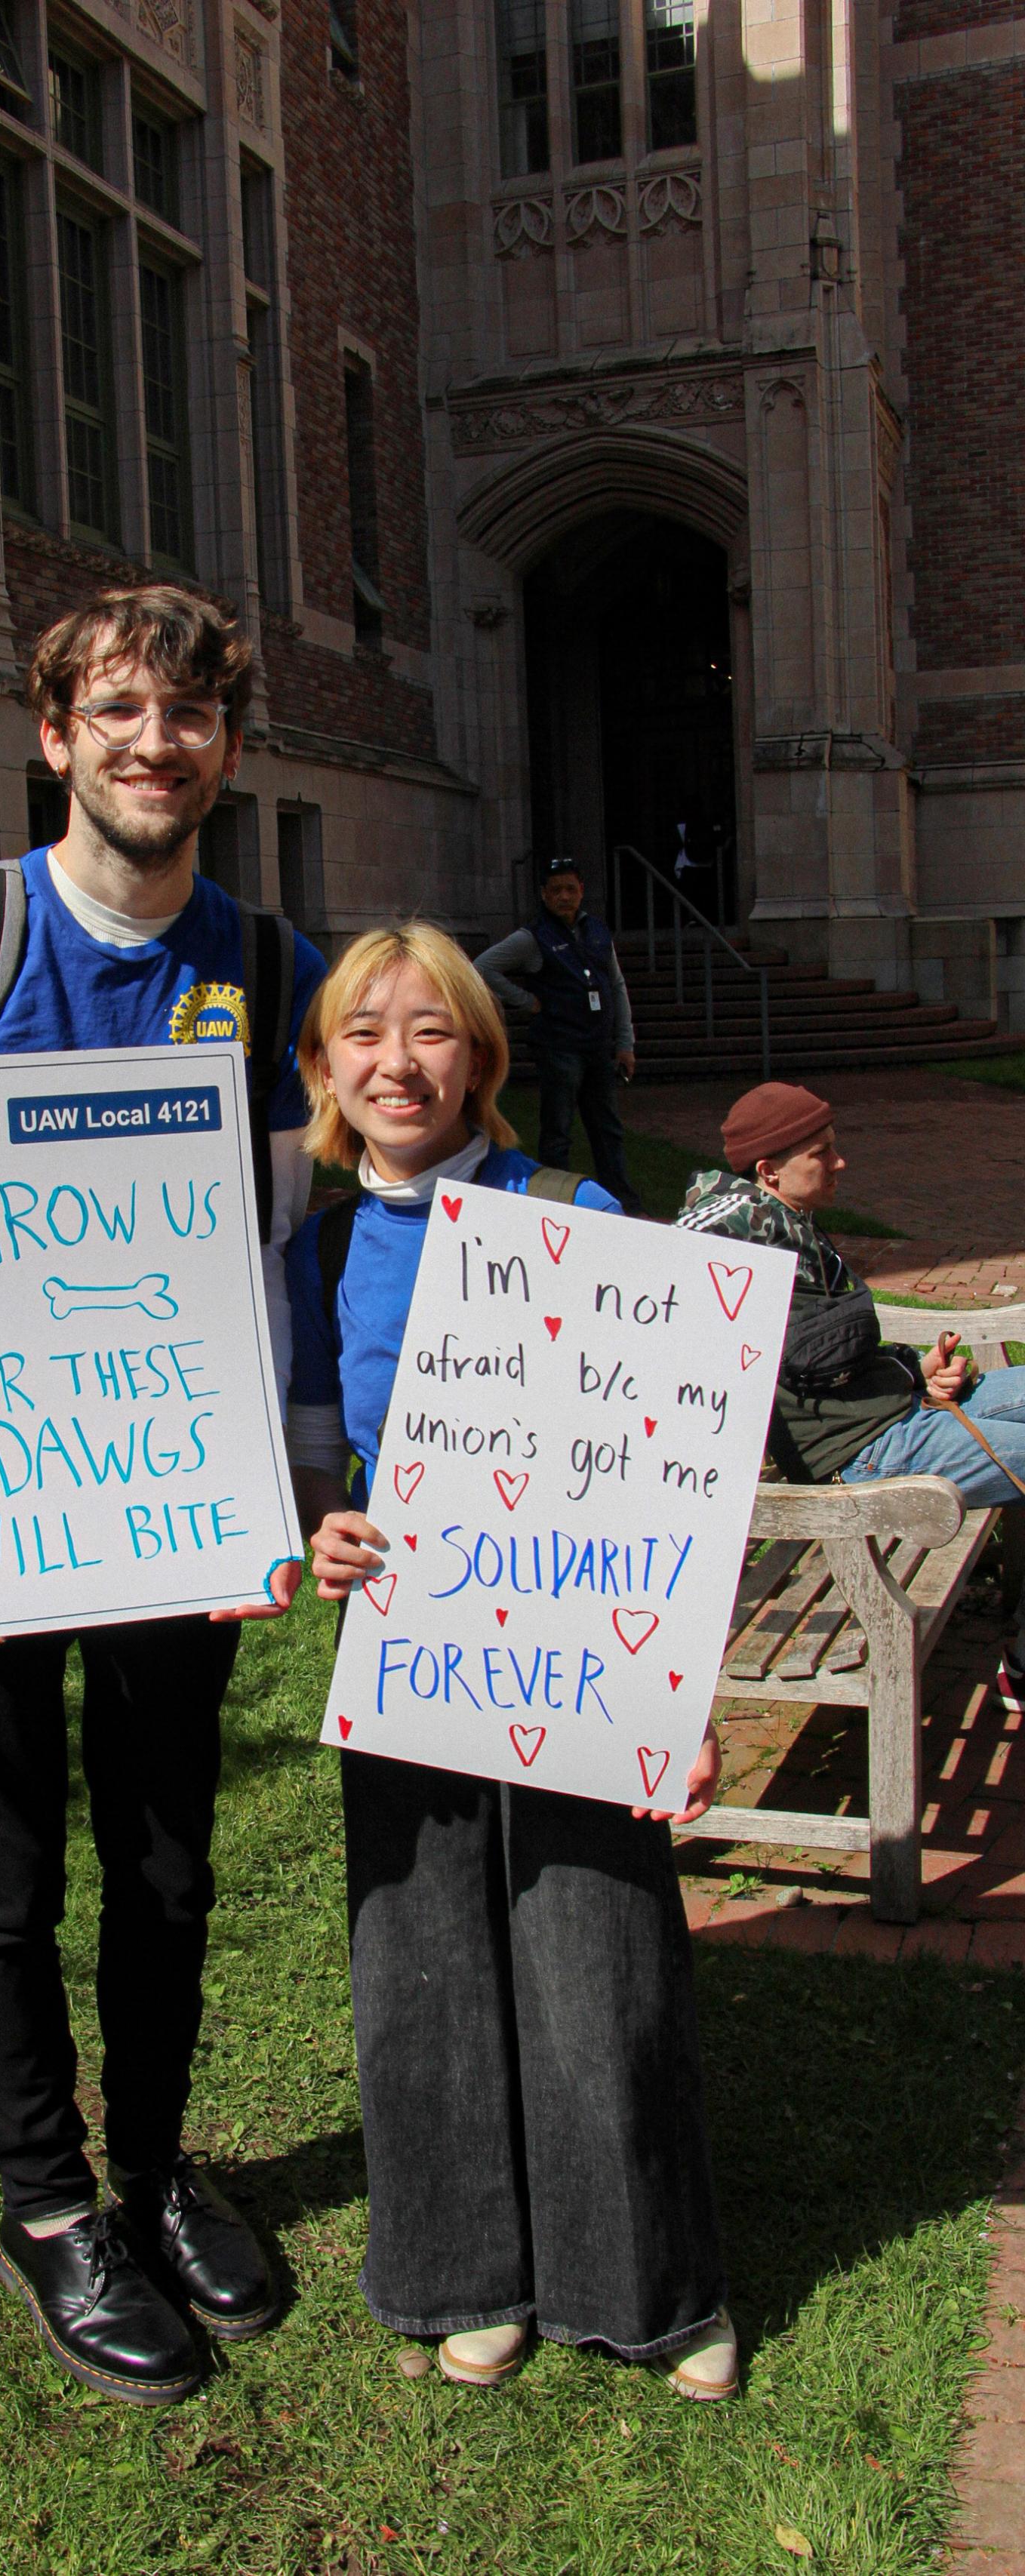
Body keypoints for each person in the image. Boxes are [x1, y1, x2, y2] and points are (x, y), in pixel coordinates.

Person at [0, 583, 327, 2408]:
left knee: (172, 1861)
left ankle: (156, 2168)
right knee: (9, 1870)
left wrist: (267, 1487)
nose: (152, 742)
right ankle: (50, 2207)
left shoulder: (265, 965)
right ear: (53, 734)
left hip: (178, 1504)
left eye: (187, 713)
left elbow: (276, 1256)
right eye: (115, 707)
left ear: (225, 749)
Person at [284, 923, 736, 2402]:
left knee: (596, 1936)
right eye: (365, 1033)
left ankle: (646, 2281)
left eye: (430, 1031)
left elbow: (667, 1459)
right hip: (405, 1634)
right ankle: (463, 2264)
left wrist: (688, 1688)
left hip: (576, 1637)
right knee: (423, 1950)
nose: (396, 1061)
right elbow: (296, 1436)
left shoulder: (574, 1206)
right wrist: (320, 1525)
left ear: (481, 1057)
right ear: (328, 1068)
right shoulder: (324, 1236)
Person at [677, 1082, 1025, 1710]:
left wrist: (919, 1370)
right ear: (769, 1170)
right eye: (822, 1153)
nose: (840, 1163)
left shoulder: (785, 1230)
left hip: (894, 1420)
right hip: (861, 1462)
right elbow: (819, 1356)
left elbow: (835, 1358)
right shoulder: (735, 1253)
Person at [473, 857, 642, 1213]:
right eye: (556, 891)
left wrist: (625, 1042)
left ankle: (623, 1202)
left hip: (598, 1045)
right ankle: (555, 1205)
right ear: (544, 895)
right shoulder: (532, 937)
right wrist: (525, 1001)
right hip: (559, 1045)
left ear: (581, 891)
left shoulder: (597, 931)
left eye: (570, 889)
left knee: (607, 1128)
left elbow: (616, 984)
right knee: (558, 1131)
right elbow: (483, 966)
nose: (564, 897)